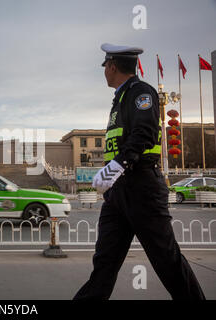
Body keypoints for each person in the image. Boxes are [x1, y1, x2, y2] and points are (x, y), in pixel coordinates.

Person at [73, 43, 205, 300]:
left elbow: (144, 133)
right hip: (118, 193)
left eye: (105, 67)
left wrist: (115, 167)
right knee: (104, 263)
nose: (104, 73)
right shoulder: (121, 98)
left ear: (112, 66)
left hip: (141, 187)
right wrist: (113, 176)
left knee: (166, 259)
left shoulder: (141, 93)